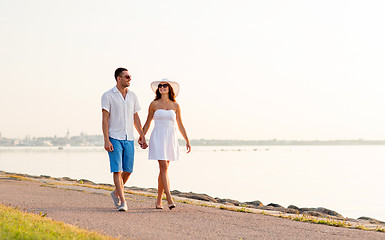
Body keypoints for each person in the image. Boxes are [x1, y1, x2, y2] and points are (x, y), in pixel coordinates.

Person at [101, 68, 147, 211]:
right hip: (114, 137)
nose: (129, 79)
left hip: (129, 138)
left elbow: (136, 117)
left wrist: (142, 134)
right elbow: (105, 119)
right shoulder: (108, 95)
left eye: (130, 77)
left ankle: (115, 193)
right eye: (127, 77)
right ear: (118, 78)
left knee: (128, 170)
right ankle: (122, 201)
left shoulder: (133, 96)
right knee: (117, 170)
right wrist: (106, 140)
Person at [143, 79, 191, 210]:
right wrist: (142, 136)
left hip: (170, 137)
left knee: (164, 169)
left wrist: (187, 139)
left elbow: (180, 124)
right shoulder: (154, 104)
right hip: (158, 136)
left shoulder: (175, 105)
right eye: (160, 86)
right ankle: (169, 198)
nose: (162, 87)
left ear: (170, 89)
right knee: (163, 166)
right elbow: (147, 122)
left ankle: (159, 200)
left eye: (165, 86)